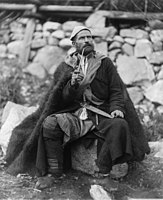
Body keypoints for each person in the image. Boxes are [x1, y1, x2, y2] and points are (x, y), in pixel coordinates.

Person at [5, 26, 150, 183]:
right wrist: (72, 85)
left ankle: (104, 173)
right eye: (82, 38)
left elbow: (116, 90)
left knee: (120, 124)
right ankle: (54, 174)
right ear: (74, 43)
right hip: (75, 114)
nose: (87, 40)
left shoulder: (104, 63)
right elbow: (60, 99)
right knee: (50, 124)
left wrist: (116, 109)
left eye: (89, 37)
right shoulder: (66, 66)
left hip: (100, 113)